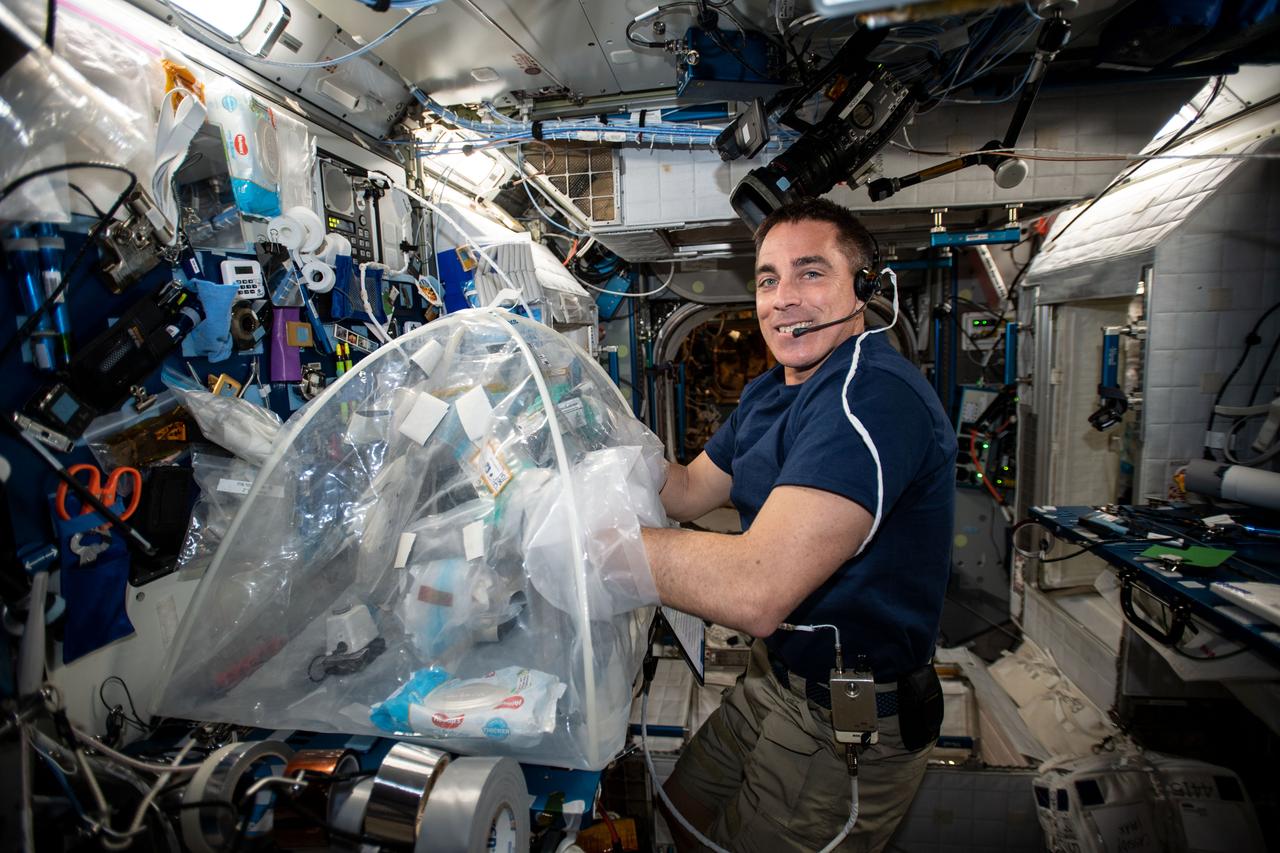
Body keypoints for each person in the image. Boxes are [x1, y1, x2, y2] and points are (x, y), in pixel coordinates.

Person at [640, 197, 956, 852]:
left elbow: (755, 589)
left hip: (846, 720)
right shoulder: (769, 392)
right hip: (776, 681)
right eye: (767, 278)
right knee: (678, 813)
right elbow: (690, 491)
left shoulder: (870, 396)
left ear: (864, 289)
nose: (783, 298)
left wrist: (592, 551)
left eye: (811, 273)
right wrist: (606, 448)